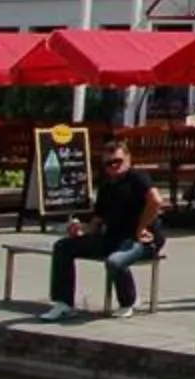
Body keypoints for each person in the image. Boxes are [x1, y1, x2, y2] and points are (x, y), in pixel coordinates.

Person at [40, 137, 164, 322]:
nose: (113, 167)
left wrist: (141, 228)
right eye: (108, 164)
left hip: (142, 239)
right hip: (113, 237)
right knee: (63, 247)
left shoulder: (137, 178)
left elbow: (156, 201)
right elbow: (98, 219)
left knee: (115, 261)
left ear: (128, 159)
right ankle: (64, 303)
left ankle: (128, 301)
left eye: (118, 162)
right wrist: (83, 229)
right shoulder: (107, 185)